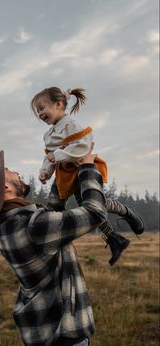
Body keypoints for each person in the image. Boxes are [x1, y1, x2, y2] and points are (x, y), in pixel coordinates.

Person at [0, 146, 107, 346]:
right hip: (63, 342)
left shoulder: (6, 226)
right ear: (6, 188)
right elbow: (96, 213)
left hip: (42, 339)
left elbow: (52, 213)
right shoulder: (34, 226)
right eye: (8, 171)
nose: (15, 171)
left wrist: (61, 172)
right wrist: (87, 167)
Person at [30, 86, 144, 266]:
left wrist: (59, 155)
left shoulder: (70, 124)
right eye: (37, 111)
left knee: (93, 206)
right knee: (55, 207)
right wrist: (45, 171)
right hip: (64, 173)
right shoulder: (49, 135)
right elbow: (50, 157)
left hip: (83, 168)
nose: (40, 113)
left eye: (42, 108)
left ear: (59, 104)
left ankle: (125, 211)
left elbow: (84, 145)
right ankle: (115, 239)